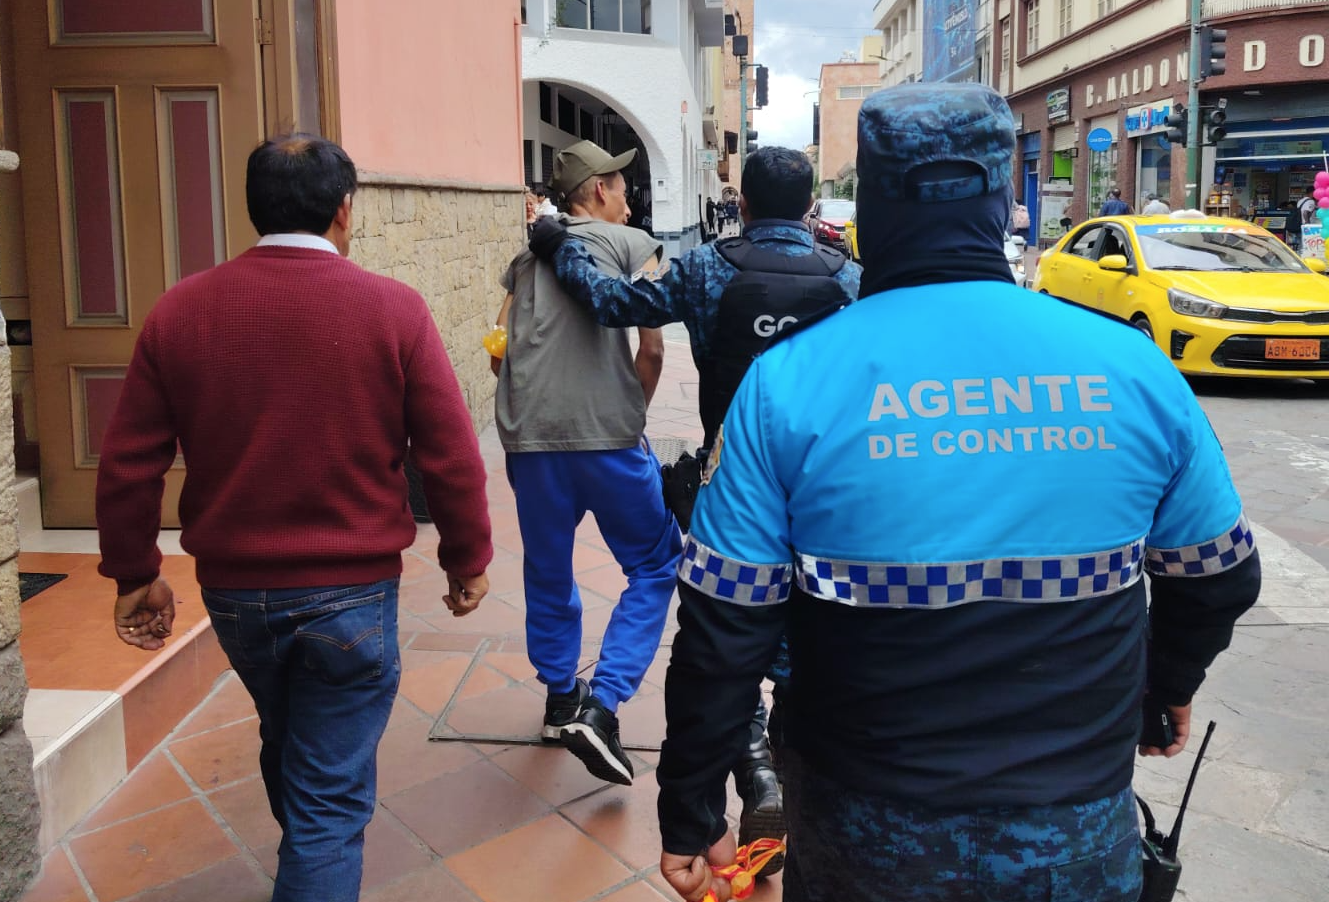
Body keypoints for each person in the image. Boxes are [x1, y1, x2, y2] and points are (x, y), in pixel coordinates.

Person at [652, 83, 1261, 902]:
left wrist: (689, 809)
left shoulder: (785, 386)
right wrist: (1165, 689)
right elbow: (1218, 575)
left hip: (862, 831)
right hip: (1072, 832)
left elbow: (723, 625)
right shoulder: (1134, 369)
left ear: (869, 203)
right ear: (1002, 201)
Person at [95, 134, 493, 902]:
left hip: (239, 598)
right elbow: (448, 452)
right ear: (345, 210)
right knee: (329, 798)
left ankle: (307, 853)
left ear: (255, 208)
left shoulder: (181, 310)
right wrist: (465, 557)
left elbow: (128, 461)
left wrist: (134, 573)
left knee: (291, 740)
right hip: (352, 595)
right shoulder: (393, 308)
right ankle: (313, 865)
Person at [529, 145, 861, 871]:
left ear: (740, 204)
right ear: (809, 209)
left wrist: (558, 245)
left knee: (725, 630)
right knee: (818, 626)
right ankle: (800, 778)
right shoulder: (849, 279)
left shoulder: (712, 266)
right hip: (830, 490)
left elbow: (614, 304)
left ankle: (757, 774)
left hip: (730, 482)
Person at [491, 138, 682, 787]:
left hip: (530, 442)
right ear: (598, 190)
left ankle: (557, 702)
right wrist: (629, 411)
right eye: (621, 185)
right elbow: (652, 348)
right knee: (655, 565)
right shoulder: (632, 246)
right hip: (608, 440)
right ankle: (603, 703)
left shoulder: (524, 259)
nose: (628, 197)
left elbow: (498, 346)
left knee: (548, 570)